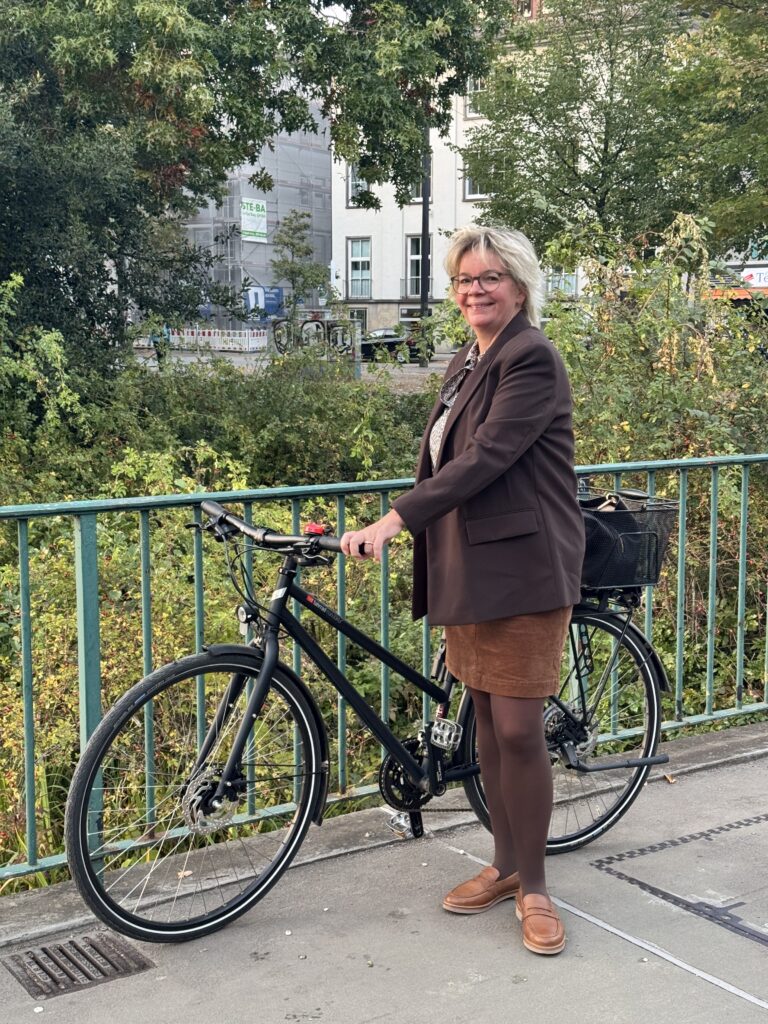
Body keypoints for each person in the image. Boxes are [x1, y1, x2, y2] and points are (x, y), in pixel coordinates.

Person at [340, 225, 585, 956]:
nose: (475, 290)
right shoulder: (469, 359)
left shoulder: (530, 357)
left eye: (489, 278)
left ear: (519, 286)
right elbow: (444, 457)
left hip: (525, 566)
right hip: (471, 564)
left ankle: (534, 886)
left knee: (517, 730)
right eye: (463, 280)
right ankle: (504, 866)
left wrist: (394, 520)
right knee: (484, 725)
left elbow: (486, 458)